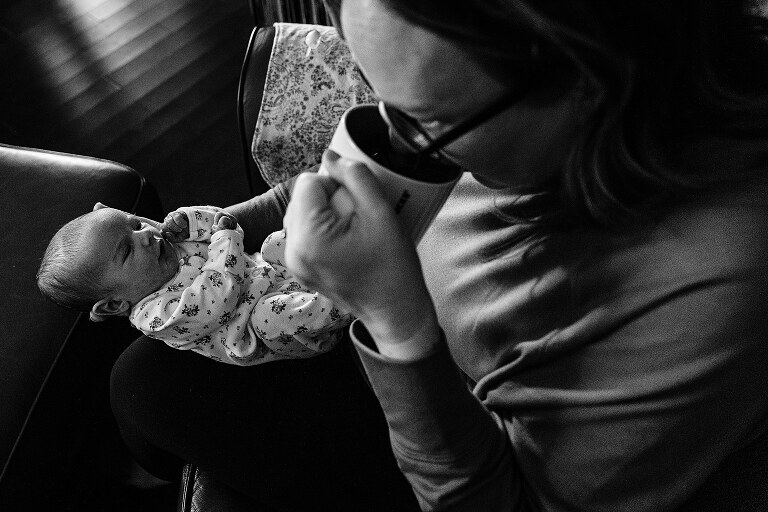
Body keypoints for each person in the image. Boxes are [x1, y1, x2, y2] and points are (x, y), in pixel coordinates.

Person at [110, 1, 768, 511]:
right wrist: (249, 216)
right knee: (144, 381)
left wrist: (395, 323)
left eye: (423, 119)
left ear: (586, 82)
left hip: (459, 426)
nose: (390, 134)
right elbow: (358, 171)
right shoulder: (493, 112)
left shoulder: (715, 273)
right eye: (374, 88)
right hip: (408, 334)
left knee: (152, 395)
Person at [37, 203, 352, 366]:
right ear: (113, 304)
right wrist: (226, 240)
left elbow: (221, 223)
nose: (145, 234)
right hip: (270, 327)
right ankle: (353, 302)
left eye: (134, 224)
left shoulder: (165, 245)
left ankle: (348, 250)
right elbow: (218, 296)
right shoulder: (155, 316)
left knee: (276, 243)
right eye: (127, 249)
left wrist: (191, 220)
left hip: (271, 273)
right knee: (269, 315)